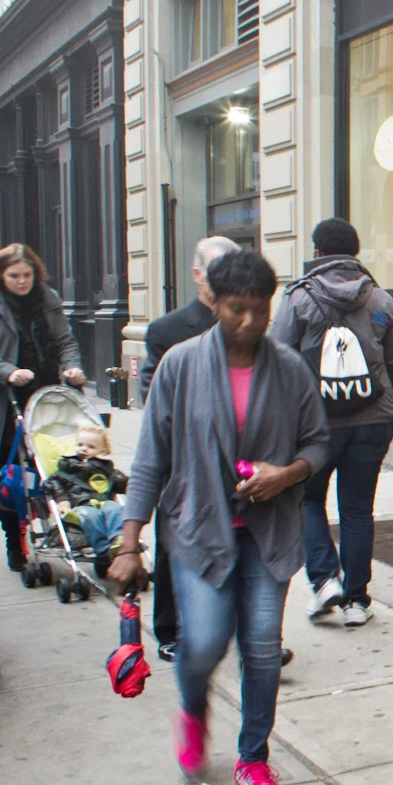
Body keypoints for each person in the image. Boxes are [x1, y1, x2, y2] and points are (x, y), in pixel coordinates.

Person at [110, 247, 328, 785]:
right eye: (237, 309)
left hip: (268, 532)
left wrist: (289, 474)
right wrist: (130, 542)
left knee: (260, 648)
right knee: (203, 642)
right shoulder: (180, 365)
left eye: (260, 309)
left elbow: (319, 442)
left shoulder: (289, 369)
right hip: (197, 527)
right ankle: (193, 705)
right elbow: (151, 458)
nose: (250, 322)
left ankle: (252, 757)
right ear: (214, 301)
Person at [274, 217, 393, 628]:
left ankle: (324, 581)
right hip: (373, 422)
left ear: (317, 252)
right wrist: (381, 403)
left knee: (306, 500)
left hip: (316, 426)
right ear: (355, 253)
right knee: (356, 509)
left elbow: (278, 359)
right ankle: (357, 601)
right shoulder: (381, 300)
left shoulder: (298, 298)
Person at [140, 233, 242, 660]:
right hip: (185, 458)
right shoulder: (167, 331)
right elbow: (154, 393)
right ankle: (171, 627)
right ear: (197, 273)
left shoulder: (246, 323)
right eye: (217, 270)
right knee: (177, 541)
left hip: (237, 457)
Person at [0, 244, 86, 572]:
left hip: (46, 394)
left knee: (57, 467)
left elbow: (65, 341)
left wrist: (72, 367)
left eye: (27, 275)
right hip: (4, 400)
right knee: (14, 476)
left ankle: (63, 528)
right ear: (0, 275)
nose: (21, 281)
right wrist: (8, 372)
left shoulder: (48, 297)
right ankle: (14, 540)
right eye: (14, 275)